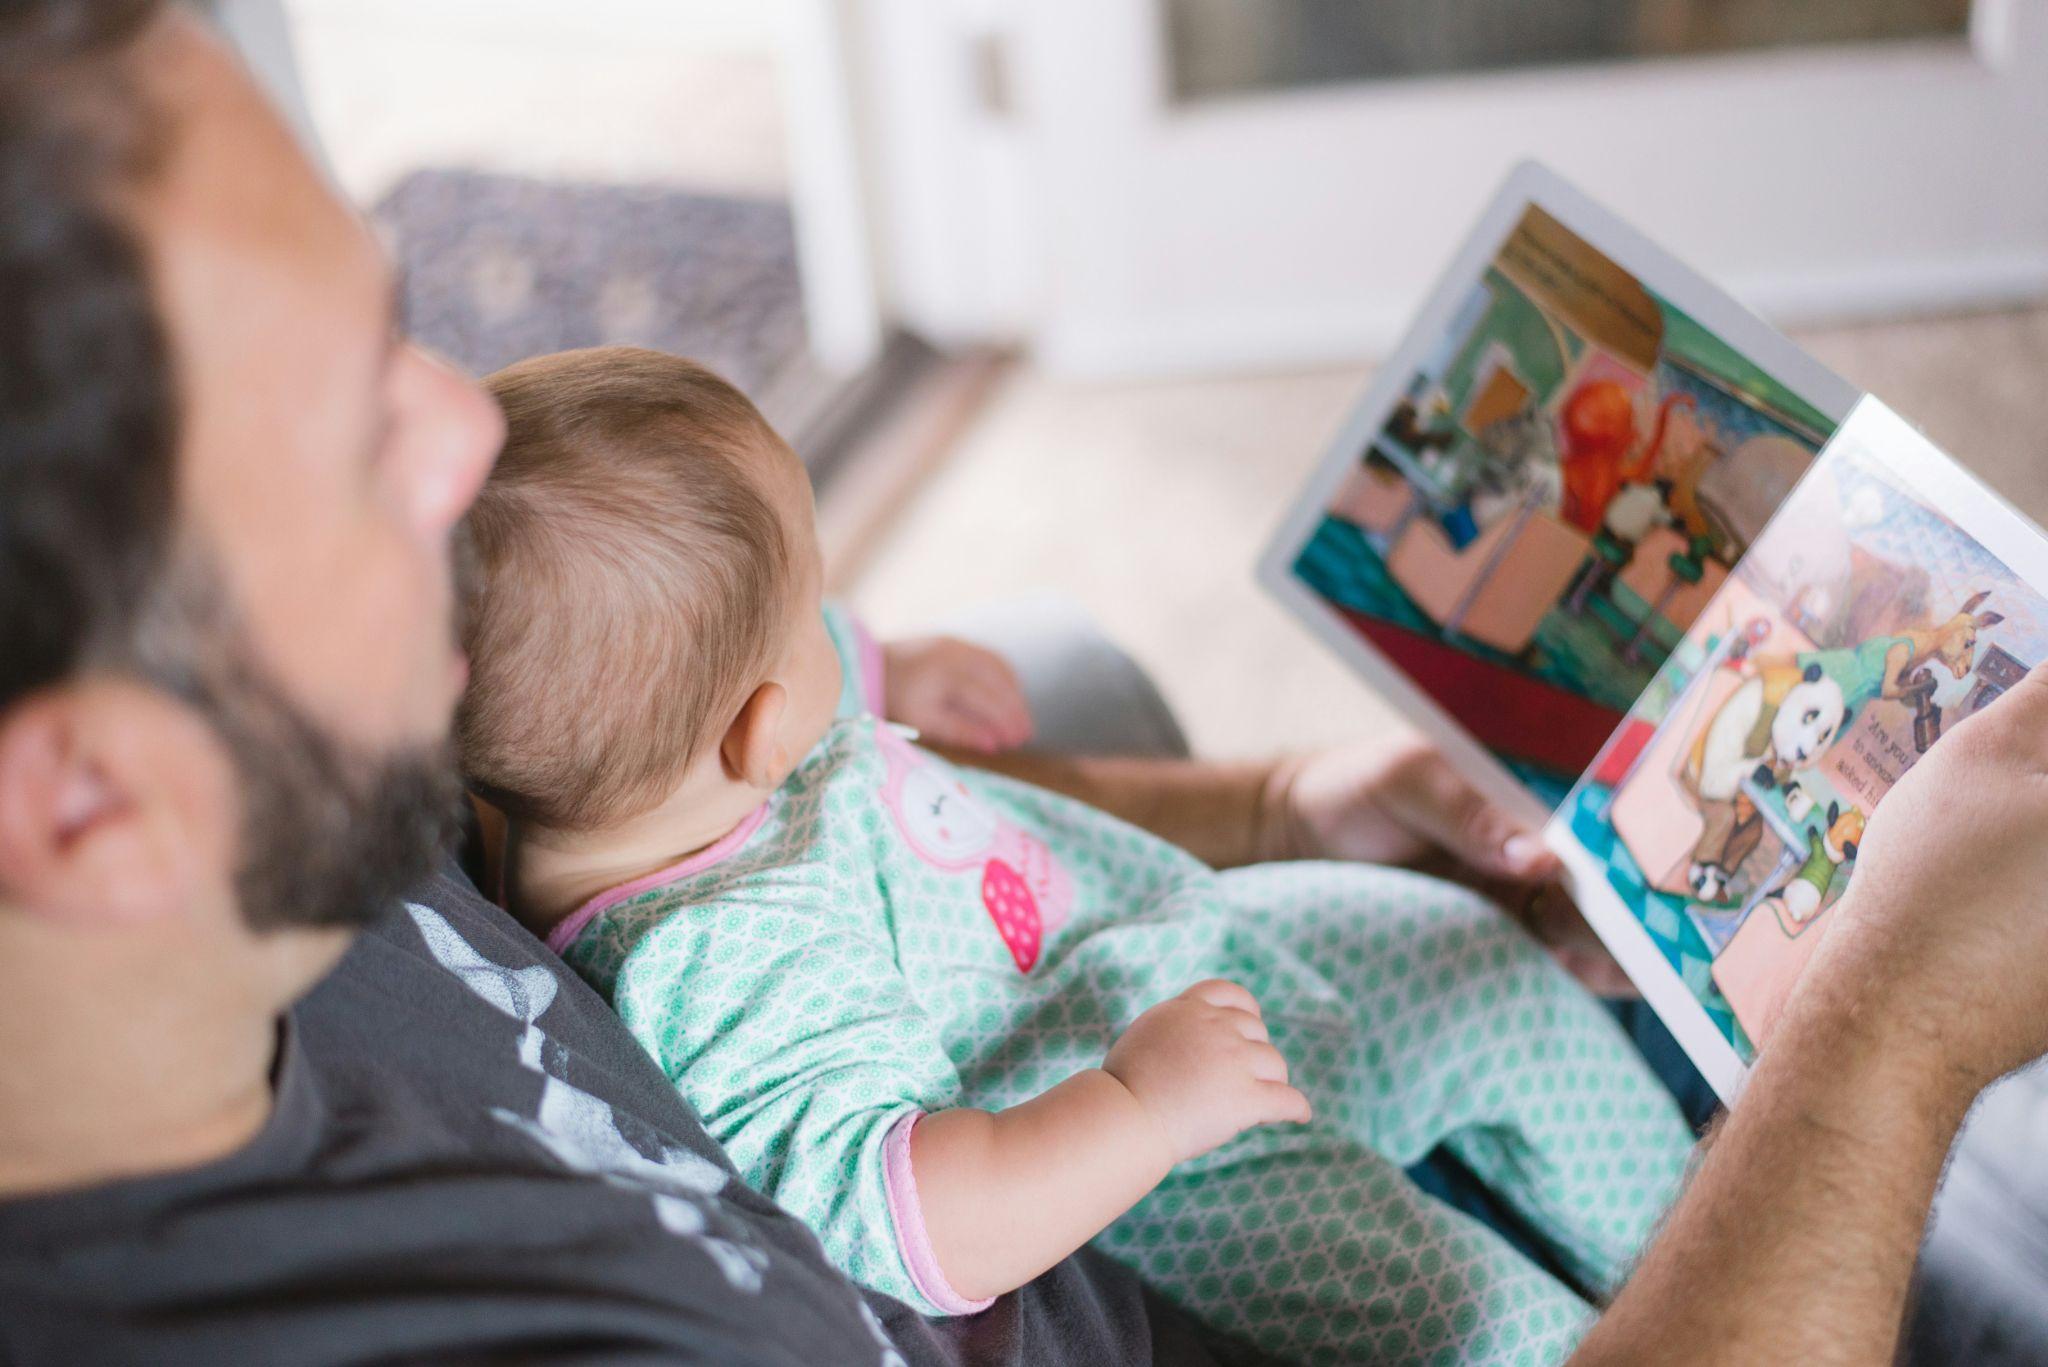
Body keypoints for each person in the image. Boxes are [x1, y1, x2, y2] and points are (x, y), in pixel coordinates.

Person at [1, 4, 2045, 1364]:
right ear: (87, 802)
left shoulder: (333, 746)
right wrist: (1890, 1028)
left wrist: (1266, 801)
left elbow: (824, 799)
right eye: (354, 431)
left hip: (1208, 986)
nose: (464, 428)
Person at [456, 345, 1694, 1364]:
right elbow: (912, 1216)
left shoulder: (651, 764)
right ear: (762, 727)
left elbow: (749, 656)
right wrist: (1140, 1106)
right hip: (1177, 1157)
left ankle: (1694, 1241)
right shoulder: (723, 961)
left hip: (1170, 938)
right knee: (1486, 1329)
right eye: (814, 609)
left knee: (1471, 954)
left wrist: (885, 663)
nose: (834, 623)